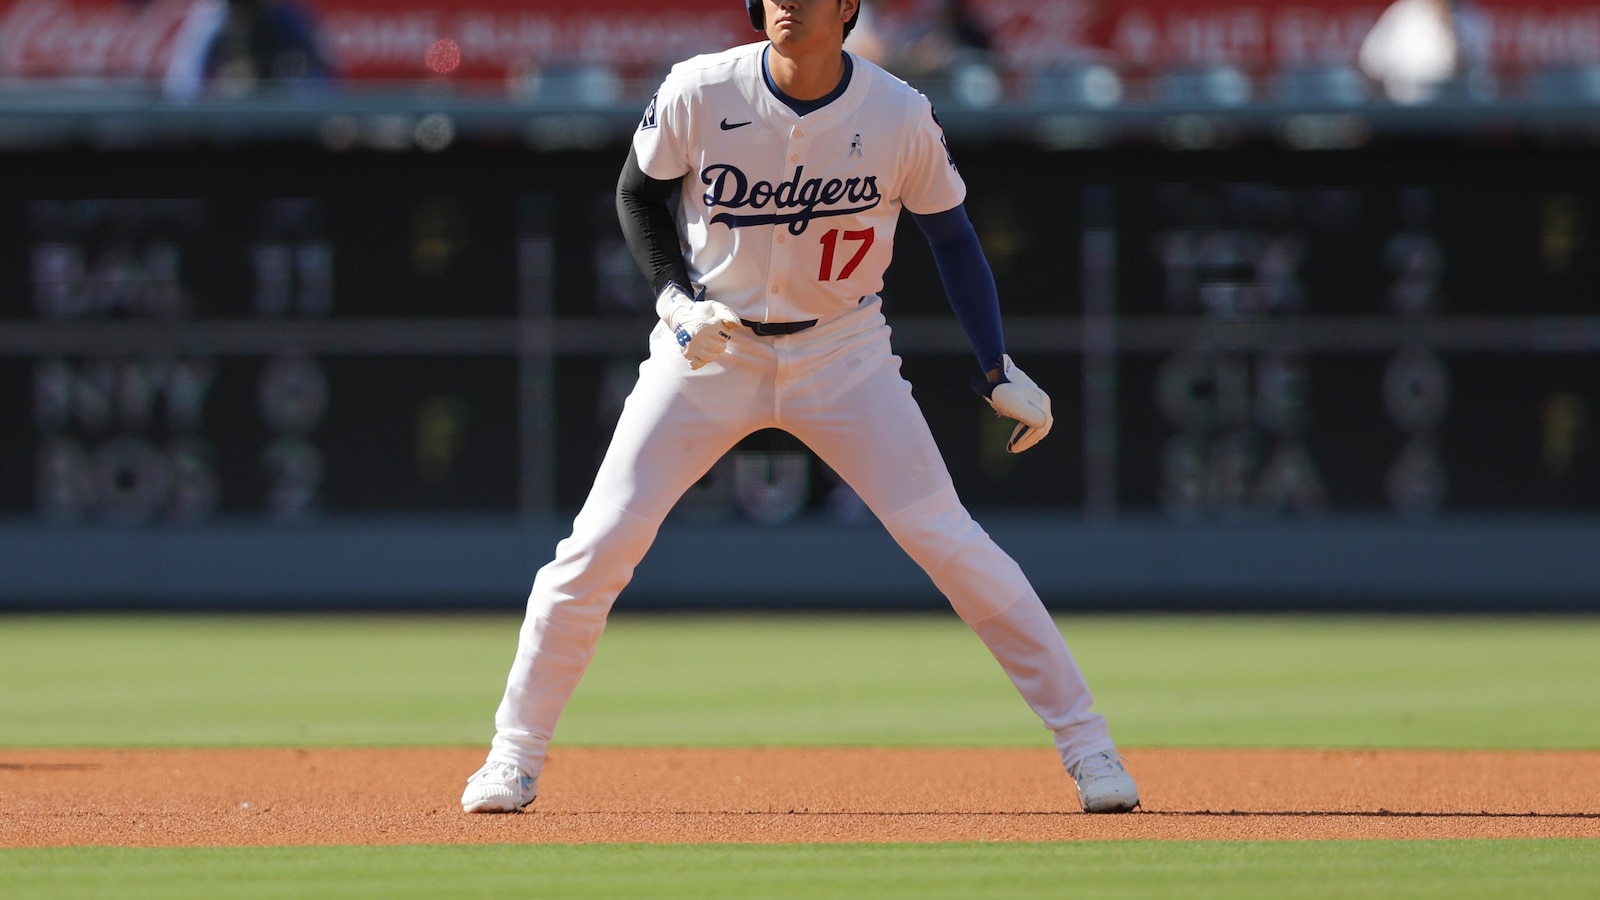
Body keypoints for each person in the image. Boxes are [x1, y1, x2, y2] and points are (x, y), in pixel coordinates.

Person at [460, 0, 1140, 816]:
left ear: (847, 6)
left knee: (952, 543)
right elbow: (638, 195)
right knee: (597, 546)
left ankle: (1090, 747)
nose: (786, 2)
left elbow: (953, 238)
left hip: (843, 353)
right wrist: (675, 301)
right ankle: (512, 756)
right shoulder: (699, 88)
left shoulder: (896, 112)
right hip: (710, 347)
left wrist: (995, 366)